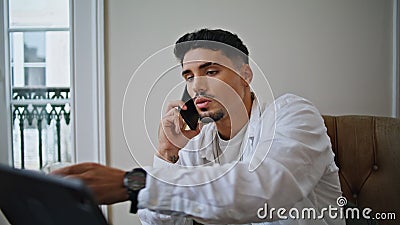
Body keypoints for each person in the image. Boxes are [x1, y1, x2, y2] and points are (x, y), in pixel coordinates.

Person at [53, 28, 346, 225]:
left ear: (245, 75)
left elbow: (265, 189)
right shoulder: (196, 140)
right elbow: (162, 223)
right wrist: (167, 153)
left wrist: (136, 184)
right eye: (188, 76)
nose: (198, 85)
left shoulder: (293, 113)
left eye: (211, 71)